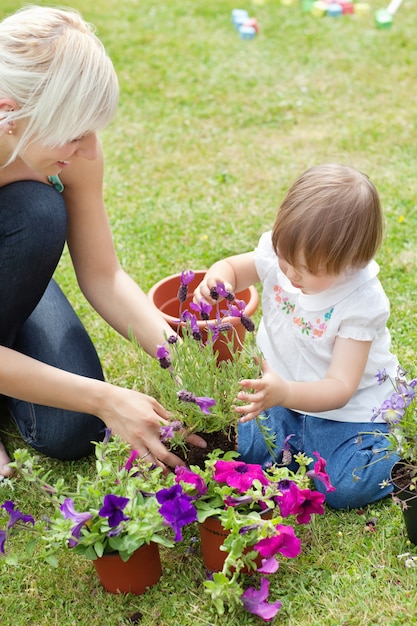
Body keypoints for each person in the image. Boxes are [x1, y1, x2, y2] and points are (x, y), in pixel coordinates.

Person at [0, 5, 205, 477]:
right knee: (36, 208)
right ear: (11, 115)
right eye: (75, 134)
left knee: (74, 428)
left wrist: (181, 359)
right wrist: (107, 398)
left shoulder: (74, 151)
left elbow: (103, 274)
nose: (91, 150)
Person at [194, 163, 400, 509]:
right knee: (243, 450)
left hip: (347, 413)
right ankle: (298, 448)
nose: (288, 273)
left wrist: (285, 392)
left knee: (344, 487)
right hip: (283, 397)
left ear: (350, 262)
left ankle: (390, 447)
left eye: (306, 269)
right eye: (285, 258)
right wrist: (220, 280)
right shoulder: (284, 255)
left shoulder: (361, 301)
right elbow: (233, 267)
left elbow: (340, 387)